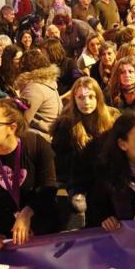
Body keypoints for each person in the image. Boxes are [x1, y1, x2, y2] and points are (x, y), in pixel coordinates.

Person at [0, 97, 58, 248]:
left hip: (39, 222)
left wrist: (27, 213)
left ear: (12, 128)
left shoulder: (38, 145)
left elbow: (48, 187)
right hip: (1, 226)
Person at [51, 77, 119, 228]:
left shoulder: (113, 117)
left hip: (107, 176)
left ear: (98, 97)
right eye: (80, 97)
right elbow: (61, 162)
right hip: (80, 178)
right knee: (79, 206)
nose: (86, 102)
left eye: (90, 97)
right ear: (74, 99)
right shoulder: (65, 125)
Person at [15, 49, 62, 141]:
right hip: (51, 132)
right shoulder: (48, 81)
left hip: (43, 137)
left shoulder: (34, 88)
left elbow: (22, 121)